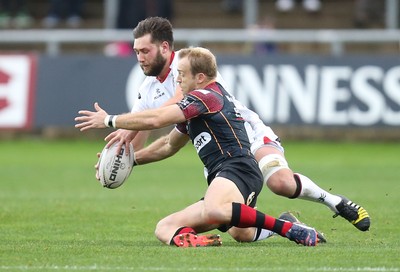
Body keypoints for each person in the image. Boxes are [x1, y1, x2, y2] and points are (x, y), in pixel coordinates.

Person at [98, 17, 370, 240]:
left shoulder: (191, 64)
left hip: (247, 135)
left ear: (165, 48)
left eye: (145, 51)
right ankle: (288, 225)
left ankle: (334, 202)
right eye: (136, 51)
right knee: (241, 232)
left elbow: (161, 114)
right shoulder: (147, 90)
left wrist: (116, 120)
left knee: (280, 183)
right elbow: (156, 140)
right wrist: (123, 159)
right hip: (221, 155)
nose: (139, 57)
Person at [75, 47, 323, 247]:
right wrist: (130, 161)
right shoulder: (195, 109)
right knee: (166, 228)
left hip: (239, 169)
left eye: (181, 74)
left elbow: (156, 119)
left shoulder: (207, 96)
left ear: (200, 78)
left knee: (216, 209)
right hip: (222, 180)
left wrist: (110, 120)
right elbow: (168, 145)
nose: (177, 78)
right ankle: (273, 226)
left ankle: (288, 230)